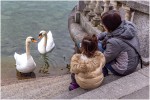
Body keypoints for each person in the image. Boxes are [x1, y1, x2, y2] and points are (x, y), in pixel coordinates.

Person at [97, 10, 140, 76]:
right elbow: (110, 33)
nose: (103, 26)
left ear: (107, 26)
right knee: (101, 44)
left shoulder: (114, 42)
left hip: (124, 69)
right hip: (134, 62)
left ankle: (103, 73)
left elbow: (104, 59)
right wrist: (99, 36)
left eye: (103, 24)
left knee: (97, 46)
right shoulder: (127, 27)